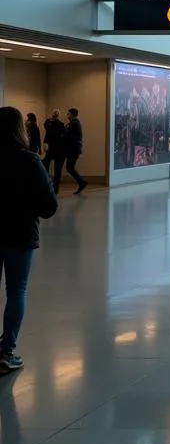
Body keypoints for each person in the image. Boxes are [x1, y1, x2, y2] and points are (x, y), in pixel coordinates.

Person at [0, 107, 59, 374]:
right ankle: (6, 352)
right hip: (20, 234)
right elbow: (48, 206)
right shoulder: (29, 160)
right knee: (16, 291)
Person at [63, 108, 87, 195]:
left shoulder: (74, 124)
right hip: (74, 149)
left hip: (73, 149)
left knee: (70, 167)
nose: (67, 115)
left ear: (72, 114)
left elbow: (69, 135)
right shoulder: (74, 123)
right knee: (70, 167)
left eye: (68, 114)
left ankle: (81, 182)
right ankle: (81, 182)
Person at [41, 110, 65, 183]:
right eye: (54, 113)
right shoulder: (48, 121)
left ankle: (53, 181)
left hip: (56, 146)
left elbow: (60, 134)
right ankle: (47, 177)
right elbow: (46, 127)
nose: (55, 114)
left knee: (54, 165)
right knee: (45, 162)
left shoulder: (60, 124)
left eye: (56, 113)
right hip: (49, 144)